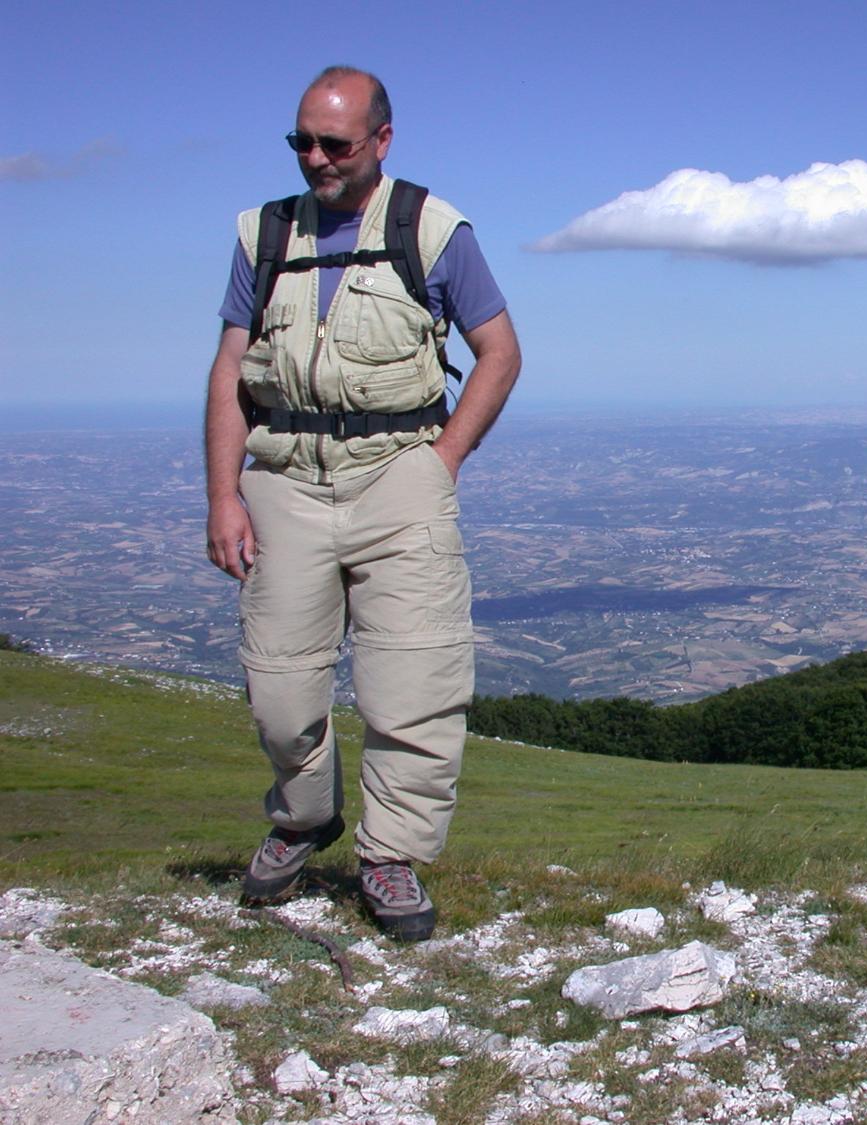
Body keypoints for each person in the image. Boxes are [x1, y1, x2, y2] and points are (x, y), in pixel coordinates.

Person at [203, 66, 521, 940]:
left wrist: (441, 461)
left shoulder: (433, 229)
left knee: (413, 680)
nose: (316, 158)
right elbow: (230, 370)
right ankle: (304, 817)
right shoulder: (264, 233)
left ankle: (389, 858)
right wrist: (222, 495)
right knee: (278, 684)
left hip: (399, 473)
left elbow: (500, 351)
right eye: (301, 141)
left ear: (382, 140)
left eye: (334, 144)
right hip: (285, 479)